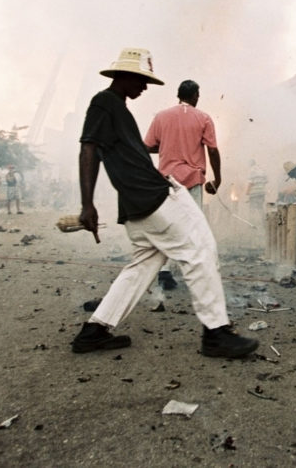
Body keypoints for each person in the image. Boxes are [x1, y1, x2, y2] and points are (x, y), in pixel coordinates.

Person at [73, 47, 257, 358]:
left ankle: (95, 330)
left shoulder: (120, 107)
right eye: (142, 80)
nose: (145, 86)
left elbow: (138, 150)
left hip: (140, 201)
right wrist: (87, 204)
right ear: (125, 75)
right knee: (200, 248)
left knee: (143, 265)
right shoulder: (104, 103)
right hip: (151, 196)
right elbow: (88, 149)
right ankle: (216, 332)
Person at [144, 79, 222, 290]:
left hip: (166, 180)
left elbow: (148, 146)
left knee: (167, 224)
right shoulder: (204, 118)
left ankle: (164, 271)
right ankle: (195, 273)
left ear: (178, 95)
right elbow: (212, 150)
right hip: (191, 180)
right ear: (195, 95)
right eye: (199, 94)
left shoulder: (161, 116)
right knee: (192, 226)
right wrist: (218, 178)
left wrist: (167, 146)